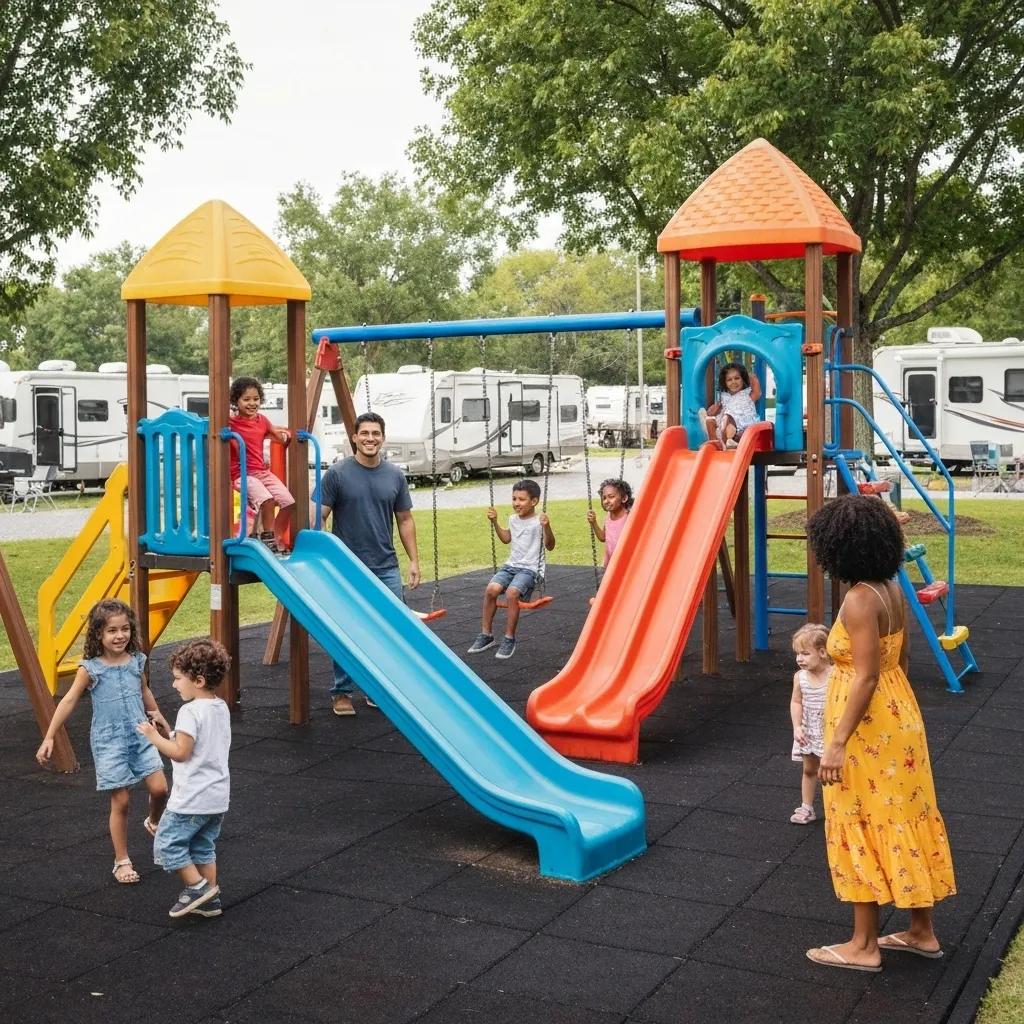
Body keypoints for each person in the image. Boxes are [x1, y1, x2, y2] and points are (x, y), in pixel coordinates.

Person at [805, 494, 956, 973]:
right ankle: (920, 930)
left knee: (862, 817)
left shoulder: (856, 600)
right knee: (905, 813)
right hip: (898, 713)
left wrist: (836, 742)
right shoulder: (890, 586)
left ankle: (863, 945)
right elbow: (900, 658)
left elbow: (865, 675)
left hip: (866, 725)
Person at [35, 599, 170, 885]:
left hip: (141, 733)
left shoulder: (137, 661)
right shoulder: (90, 669)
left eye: (124, 629)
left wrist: (160, 718)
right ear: (99, 635)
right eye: (112, 631)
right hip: (109, 741)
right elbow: (69, 700)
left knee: (160, 789)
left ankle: (154, 820)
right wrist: (50, 735)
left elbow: (145, 692)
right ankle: (121, 860)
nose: (120, 635)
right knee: (120, 801)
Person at [318, 412, 420, 715]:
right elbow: (318, 518)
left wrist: (413, 560)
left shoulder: (394, 475)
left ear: (383, 438)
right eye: (365, 433)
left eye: (376, 433)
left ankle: (379, 688)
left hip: (385, 565)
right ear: (354, 437)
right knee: (346, 629)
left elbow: (405, 520)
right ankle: (342, 691)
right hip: (346, 567)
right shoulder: (337, 474)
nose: (370, 438)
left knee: (390, 629)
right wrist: (329, 558)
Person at [137, 639, 231, 919]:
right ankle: (211, 900)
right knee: (202, 846)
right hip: (216, 798)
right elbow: (197, 744)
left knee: (167, 845)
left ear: (198, 680)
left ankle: (198, 888)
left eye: (178, 679)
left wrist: (154, 738)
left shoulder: (190, 711)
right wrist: (167, 729)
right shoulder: (219, 707)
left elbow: (180, 753)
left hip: (191, 798)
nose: (175, 685)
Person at [467, 478, 555, 660]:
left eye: (521, 499)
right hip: (511, 566)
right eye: (514, 499)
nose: (516, 503)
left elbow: (550, 545)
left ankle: (509, 638)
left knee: (512, 593)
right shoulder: (513, 519)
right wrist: (495, 523)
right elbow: (506, 538)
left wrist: (547, 527)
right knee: (491, 589)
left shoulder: (540, 520)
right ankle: (486, 635)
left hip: (531, 569)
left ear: (534, 501)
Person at [228, 376, 293, 554]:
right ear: (236, 401)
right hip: (242, 474)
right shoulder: (230, 423)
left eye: (256, 399)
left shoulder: (262, 420)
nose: (252, 403)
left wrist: (288, 436)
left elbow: (277, 435)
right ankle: (267, 538)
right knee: (267, 499)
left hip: (261, 472)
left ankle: (275, 537)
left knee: (288, 502)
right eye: (246, 399)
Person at [789, 622, 831, 825]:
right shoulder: (800, 678)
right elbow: (796, 702)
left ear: (822, 652)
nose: (799, 659)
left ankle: (837, 810)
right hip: (809, 731)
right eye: (797, 653)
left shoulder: (836, 675)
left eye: (805, 653)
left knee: (831, 772)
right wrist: (797, 727)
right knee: (809, 769)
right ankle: (807, 807)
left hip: (829, 731)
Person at [699, 361, 762, 449]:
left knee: (727, 417)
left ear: (743, 379)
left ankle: (725, 442)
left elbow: (757, 392)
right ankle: (715, 442)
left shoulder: (747, 395)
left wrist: (748, 375)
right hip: (723, 429)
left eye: (737, 378)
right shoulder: (725, 397)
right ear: (725, 383)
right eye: (729, 380)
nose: (733, 382)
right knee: (710, 420)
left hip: (740, 430)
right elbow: (716, 410)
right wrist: (712, 411)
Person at [586, 477, 634, 568]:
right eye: (604, 498)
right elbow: (603, 537)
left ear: (624, 498)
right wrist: (593, 522)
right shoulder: (608, 516)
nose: (606, 501)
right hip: (609, 564)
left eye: (611, 497)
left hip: (626, 565)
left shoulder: (629, 517)